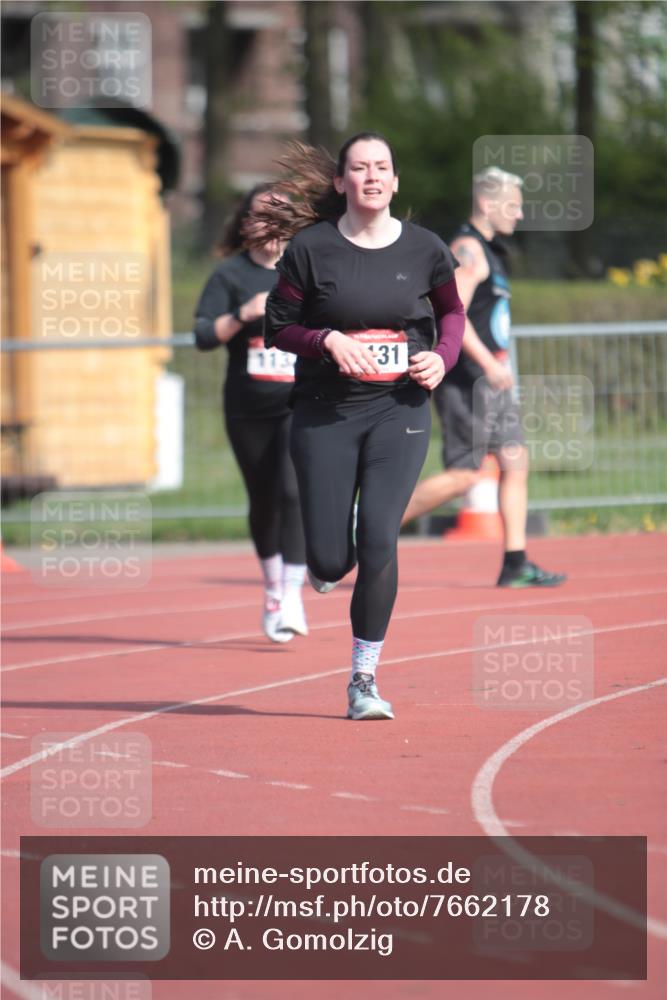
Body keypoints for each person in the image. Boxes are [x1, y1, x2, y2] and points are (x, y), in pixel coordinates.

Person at [258, 133, 465, 719]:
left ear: (395, 182)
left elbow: (451, 312)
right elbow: (280, 329)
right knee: (328, 559)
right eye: (359, 167)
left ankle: (363, 679)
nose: (372, 176)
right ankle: (325, 565)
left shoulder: (425, 249)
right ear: (341, 182)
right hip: (325, 413)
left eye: (382, 167)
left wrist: (441, 357)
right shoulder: (310, 249)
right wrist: (327, 340)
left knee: (379, 539)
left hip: (397, 410)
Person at [402, 166, 566, 588]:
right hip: (468, 379)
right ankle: (366, 524)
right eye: (513, 206)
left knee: (516, 460)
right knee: (465, 474)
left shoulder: (490, 252)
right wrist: (489, 364)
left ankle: (515, 562)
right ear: (487, 203)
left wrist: (500, 367)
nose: (519, 215)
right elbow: (451, 314)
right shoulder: (467, 249)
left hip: (492, 381)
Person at [193, 184, 308, 643]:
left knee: (292, 491)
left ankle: (294, 593)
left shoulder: (305, 269)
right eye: (262, 214)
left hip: (298, 402)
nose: (270, 221)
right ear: (246, 224)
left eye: (280, 213)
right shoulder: (230, 275)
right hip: (247, 407)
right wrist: (242, 314)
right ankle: (273, 589)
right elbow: (203, 335)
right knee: (264, 499)